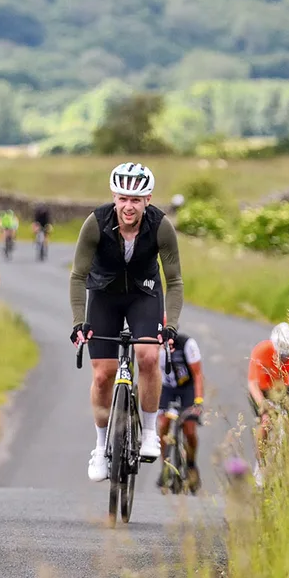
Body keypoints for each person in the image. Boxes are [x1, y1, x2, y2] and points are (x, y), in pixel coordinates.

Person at [69, 162, 185, 482]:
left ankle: (148, 432)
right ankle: (99, 447)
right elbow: (77, 276)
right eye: (122, 199)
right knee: (102, 375)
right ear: (114, 198)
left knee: (148, 357)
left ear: (148, 200)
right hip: (103, 295)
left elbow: (175, 281)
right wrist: (79, 322)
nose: (128, 206)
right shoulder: (96, 223)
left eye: (135, 200)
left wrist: (171, 326)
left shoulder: (160, 226)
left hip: (143, 295)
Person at [247, 322, 289, 484]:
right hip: (261, 389)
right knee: (266, 421)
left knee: (288, 423)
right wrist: (262, 404)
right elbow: (252, 383)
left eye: (287, 356)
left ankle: (284, 465)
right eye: (281, 356)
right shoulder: (261, 350)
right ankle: (260, 464)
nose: (284, 359)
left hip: (281, 387)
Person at [157, 330, 204, 490]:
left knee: (190, 430)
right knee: (163, 425)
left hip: (186, 388)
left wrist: (198, 401)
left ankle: (191, 465)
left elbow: (197, 374)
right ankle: (165, 466)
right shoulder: (153, 344)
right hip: (166, 388)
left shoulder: (187, 344)